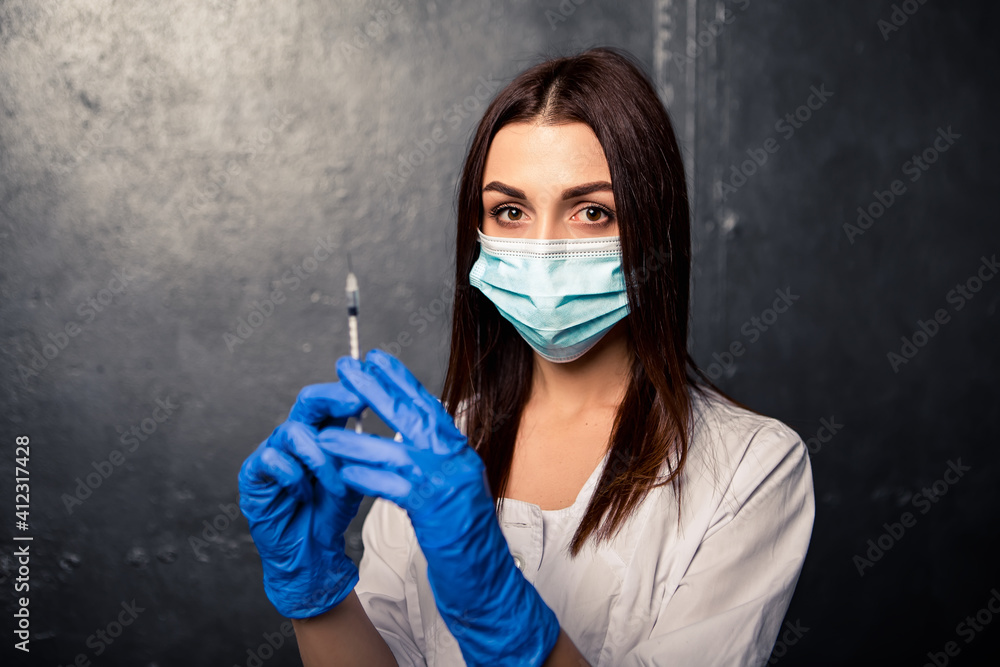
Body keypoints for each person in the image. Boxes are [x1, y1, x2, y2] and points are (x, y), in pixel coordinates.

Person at [237, 46, 815, 666]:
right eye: (510, 211)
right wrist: (317, 594)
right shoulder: (436, 448)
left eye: (592, 212)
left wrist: (497, 609)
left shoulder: (750, 468)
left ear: (654, 229)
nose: (543, 251)